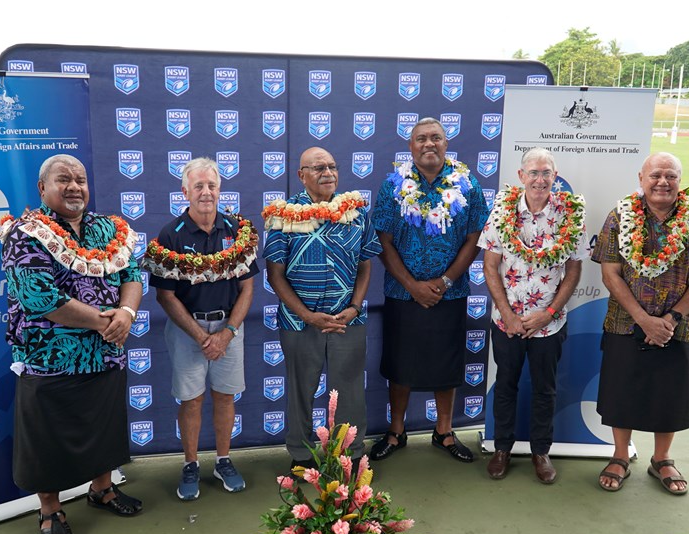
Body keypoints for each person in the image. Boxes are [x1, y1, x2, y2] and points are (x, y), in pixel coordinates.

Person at [1, 154, 143, 534]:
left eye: (80, 179)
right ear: (42, 188)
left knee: (103, 426)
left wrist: (127, 313)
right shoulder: (24, 233)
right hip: (51, 359)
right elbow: (38, 297)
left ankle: (103, 490)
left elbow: (131, 275)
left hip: (106, 354)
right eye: (64, 179)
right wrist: (104, 321)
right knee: (48, 437)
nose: (75, 186)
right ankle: (50, 510)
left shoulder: (108, 228)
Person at [593, 152, 689, 494]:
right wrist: (643, 319)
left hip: (678, 327)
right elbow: (610, 273)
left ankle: (662, 459)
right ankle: (620, 455)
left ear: (680, 181)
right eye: (656, 175)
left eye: (671, 176)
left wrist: (669, 318)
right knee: (622, 393)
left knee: (670, 396)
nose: (663, 182)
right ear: (641, 178)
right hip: (625, 323)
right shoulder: (618, 216)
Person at [369, 117, 489, 464]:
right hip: (401, 292)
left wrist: (445, 281)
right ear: (411, 147)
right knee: (400, 363)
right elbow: (383, 239)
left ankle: (444, 431)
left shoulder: (468, 185)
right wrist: (411, 285)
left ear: (446, 143)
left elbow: (475, 237)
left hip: (449, 293)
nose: (428, 144)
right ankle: (396, 431)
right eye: (421, 139)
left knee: (446, 364)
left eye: (435, 137)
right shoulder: (394, 185)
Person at [144, 157, 259, 499]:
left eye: (211, 186)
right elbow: (165, 296)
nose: (206, 192)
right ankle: (191, 464)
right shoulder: (170, 234)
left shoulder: (238, 231)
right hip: (187, 330)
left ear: (220, 189)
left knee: (225, 396)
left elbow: (248, 288)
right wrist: (201, 336)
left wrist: (226, 333)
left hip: (229, 328)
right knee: (192, 400)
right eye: (198, 186)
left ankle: (224, 460)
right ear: (185, 191)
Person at [262, 146, 381, 470]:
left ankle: (351, 457)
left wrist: (355, 307)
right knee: (300, 392)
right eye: (318, 168)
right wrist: (307, 315)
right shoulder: (282, 217)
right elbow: (275, 274)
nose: (327, 173)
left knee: (350, 393)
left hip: (347, 321)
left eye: (332, 166)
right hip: (300, 323)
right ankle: (301, 457)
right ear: (301, 175)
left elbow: (365, 264)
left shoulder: (356, 212)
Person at [480, 148, 588, 484]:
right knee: (506, 386)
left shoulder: (570, 215)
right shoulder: (502, 211)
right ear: (521, 176)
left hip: (549, 323)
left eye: (546, 173)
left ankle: (541, 452)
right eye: (534, 172)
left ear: (555, 177)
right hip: (507, 321)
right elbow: (489, 266)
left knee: (546, 389)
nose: (540, 179)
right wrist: (509, 315)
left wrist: (549, 313)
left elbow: (573, 270)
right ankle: (502, 449)